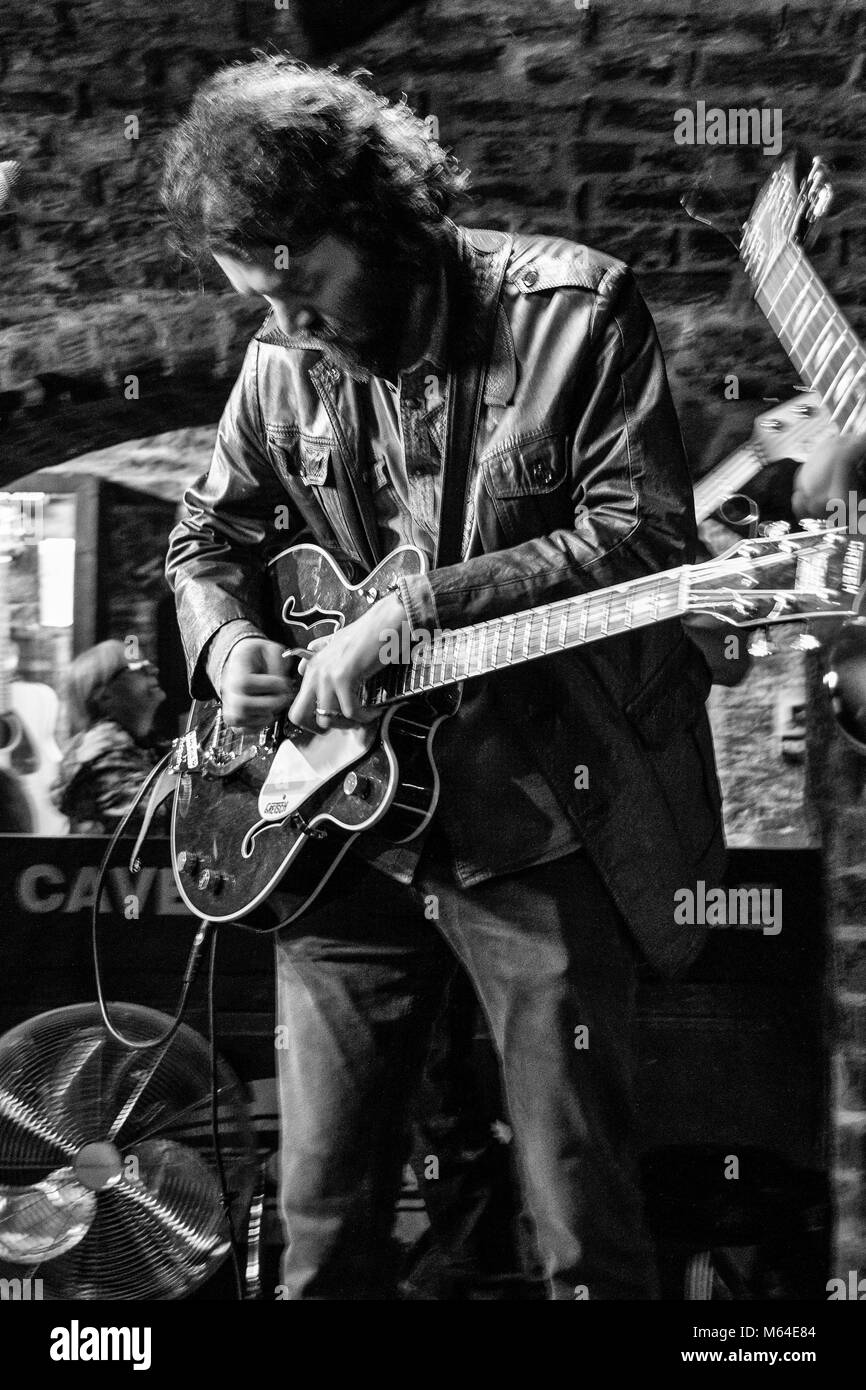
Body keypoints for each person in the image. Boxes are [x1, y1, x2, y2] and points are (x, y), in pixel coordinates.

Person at [161, 56, 726, 1300]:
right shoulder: (278, 359)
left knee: (579, 1213)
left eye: (303, 288)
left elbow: (641, 537)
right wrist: (227, 645)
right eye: (258, 300)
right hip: (338, 838)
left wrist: (413, 608)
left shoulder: (573, 313)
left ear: (377, 221)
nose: (288, 328)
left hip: (537, 820)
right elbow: (206, 538)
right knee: (316, 1225)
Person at [53, 639, 166, 833]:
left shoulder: (145, 745)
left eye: (148, 664)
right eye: (137, 667)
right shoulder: (100, 755)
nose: (153, 671)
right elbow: (159, 813)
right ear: (104, 695)